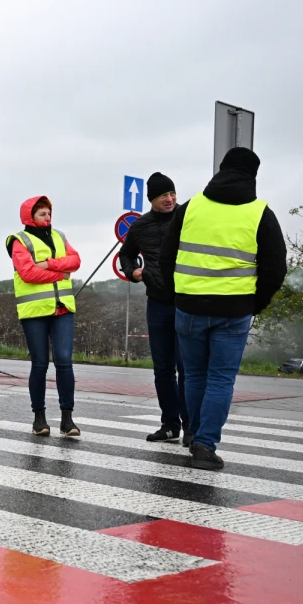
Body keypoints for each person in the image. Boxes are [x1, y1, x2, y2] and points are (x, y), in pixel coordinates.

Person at [159, 147, 287, 470]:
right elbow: (276, 269)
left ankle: (194, 433)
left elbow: (165, 257)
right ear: (252, 176)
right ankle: (205, 443)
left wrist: (178, 294)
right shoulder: (261, 214)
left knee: (194, 374)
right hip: (234, 312)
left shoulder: (190, 208)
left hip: (188, 308)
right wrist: (255, 303)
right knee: (220, 378)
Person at [120, 172, 190, 445]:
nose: (170, 199)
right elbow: (125, 253)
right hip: (158, 303)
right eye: (164, 196)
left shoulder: (186, 217)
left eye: (172, 194)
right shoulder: (140, 226)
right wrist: (133, 272)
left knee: (186, 368)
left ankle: (191, 426)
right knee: (163, 369)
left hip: (186, 301)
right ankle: (169, 425)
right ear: (152, 199)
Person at [7, 195, 82, 436]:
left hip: (62, 308)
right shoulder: (19, 241)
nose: (47, 217)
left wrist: (49, 264)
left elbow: (76, 260)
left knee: (64, 361)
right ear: (30, 216)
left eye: (49, 213)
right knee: (40, 364)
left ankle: (67, 420)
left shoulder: (59, 236)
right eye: (42, 213)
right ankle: (39, 418)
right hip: (35, 311)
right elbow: (28, 273)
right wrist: (61, 274)